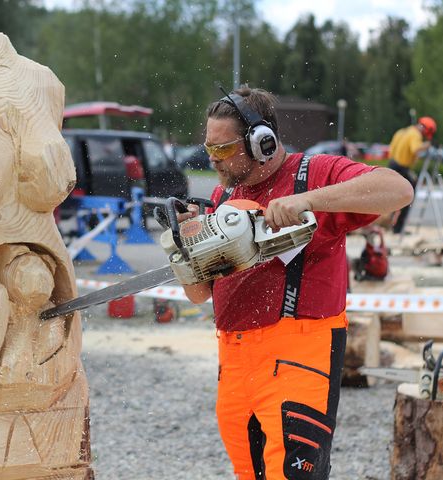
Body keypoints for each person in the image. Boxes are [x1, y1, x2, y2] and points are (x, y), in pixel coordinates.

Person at [176, 86, 413, 480]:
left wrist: (310, 201)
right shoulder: (224, 195)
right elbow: (199, 293)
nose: (212, 159)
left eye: (222, 149)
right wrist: (186, 245)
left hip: (299, 356)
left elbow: (398, 190)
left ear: (261, 142)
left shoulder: (313, 174)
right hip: (234, 362)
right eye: (209, 148)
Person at [386, 116, 437, 233]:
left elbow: (391, 149)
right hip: (402, 167)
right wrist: (428, 145)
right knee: (408, 195)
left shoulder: (402, 132)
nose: (424, 136)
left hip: (393, 164)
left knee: (393, 196)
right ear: (425, 129)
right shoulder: (415, 135)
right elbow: (416, 149)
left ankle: (389, 222)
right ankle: (398, 227)